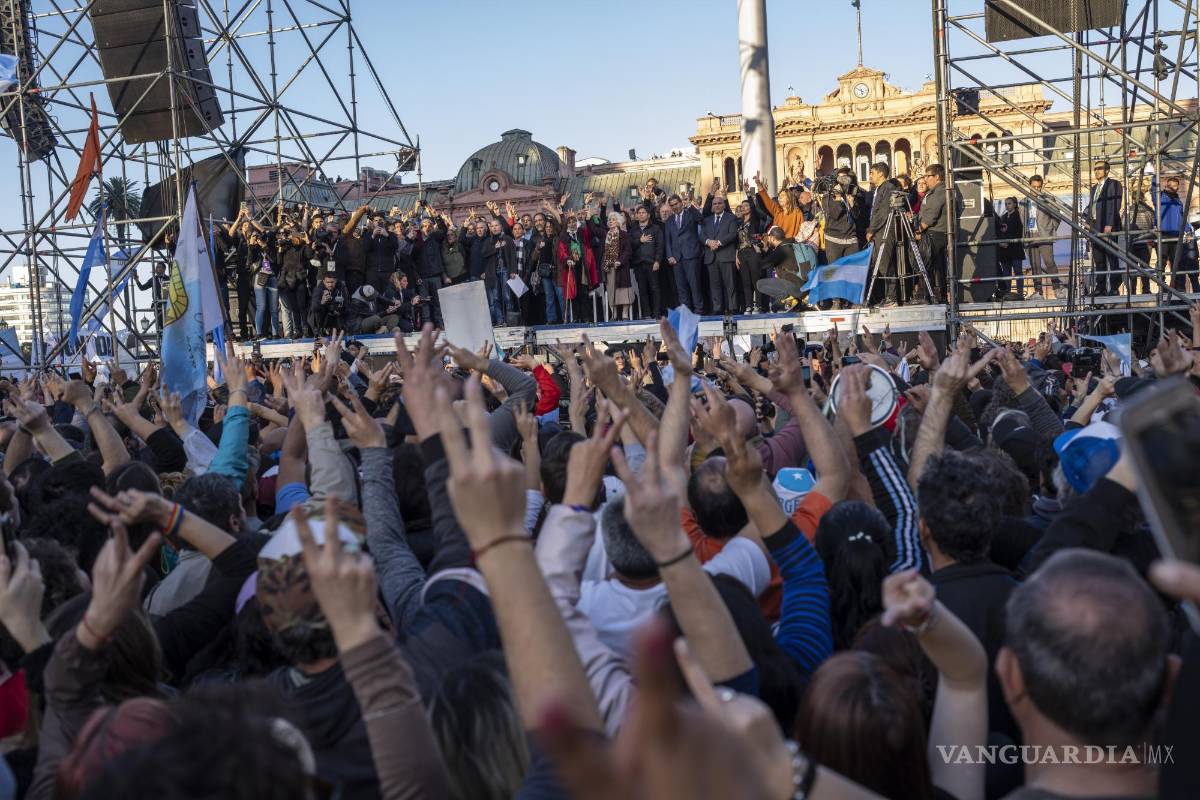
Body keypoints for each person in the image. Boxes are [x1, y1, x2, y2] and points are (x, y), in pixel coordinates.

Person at [1021, 175, 1063, 299]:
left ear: (1041, 187)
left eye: (1038, 187)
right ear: (1029, 186)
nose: (1036, 190)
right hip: (1030, 234)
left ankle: (1057, 289)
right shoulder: (1023, 201)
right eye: (1033, 187)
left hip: (1044, 234)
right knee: (1035, 265)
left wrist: (1051, 228)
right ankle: (1038, 291)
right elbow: (1022, 220)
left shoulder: (1048, 199)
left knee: (1049, 262)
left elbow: (1057, 215)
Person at [916, 163, 952, 304]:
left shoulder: (940, 191)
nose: (925, 179)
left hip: (935, 233)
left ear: (937, 177)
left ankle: (930, 295)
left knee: (928, 265)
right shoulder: (935, 191)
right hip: (933, 232)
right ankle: (933, 295)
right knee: (933, 266)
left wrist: (919, 229)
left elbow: (932, 213)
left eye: (928, 176)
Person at [867, 162, 901, 306]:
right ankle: (884, 297)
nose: (870, 175)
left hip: (885, 230)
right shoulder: (879, 189)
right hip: (878, 231)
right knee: (878, 265)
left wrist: (871, 229)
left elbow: (883, 213)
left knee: (885, 263)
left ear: (881, 174)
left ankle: (892, 298)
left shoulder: (888, 188)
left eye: (872, 172)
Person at [1086, 160, 1123, 295]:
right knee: (1098, 258)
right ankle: (1100, 286)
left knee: (1112, 256)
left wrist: (1109, 224)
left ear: (1107, 170)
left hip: (1108, 225)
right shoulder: (1094, 188)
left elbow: (1115, 204)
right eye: (1095, 169)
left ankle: (1114, 287)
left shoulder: (1114, 184)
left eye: (1099, 168)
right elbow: (1092, 206)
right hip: (1095, 225)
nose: (1096, 171)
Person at [663, 192, 704, 313]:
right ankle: (686, 312)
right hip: (676, 258)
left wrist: (690, 205)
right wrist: (669, 255)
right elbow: (668, 240)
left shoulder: (690, 214)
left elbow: (700, 219)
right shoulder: (669, 220)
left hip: (691, 256)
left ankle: (699, 310)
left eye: (676, 204)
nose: (674, 207)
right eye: (672, 205)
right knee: (681, 288)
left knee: (694, 285)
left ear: (681, 203)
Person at [700, 188, 739, 315]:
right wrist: (708, 241)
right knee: (714, 284)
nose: (717, 206)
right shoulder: (707, 220)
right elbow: (701, 235)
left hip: (726, 255)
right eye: (714, 204)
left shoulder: (731, 218)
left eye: (719, 203)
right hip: (711, 257)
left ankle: (732, 307)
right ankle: (718, 308)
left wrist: (718, 242)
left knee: (730, 284)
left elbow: (733, 234)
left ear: (724, 204)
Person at [629, 204, 664, 319]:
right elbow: (630, 246)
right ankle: (647, 314)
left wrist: (657, 261)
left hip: (652, 263)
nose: (641, 215)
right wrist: (640, 240)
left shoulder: (655, 228)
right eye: (639, 213)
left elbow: (660, 246)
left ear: (648, 215)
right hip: (639, 264)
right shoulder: (633, 230)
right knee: (642, 290)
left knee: (655, 289)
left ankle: (657, 313)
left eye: (643, 213)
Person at [601, 211, 634, 320]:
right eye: (609, 220)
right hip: (609, 267)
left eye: (613, 219)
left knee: (623, 290)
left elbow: (628, 251)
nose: (611, 221)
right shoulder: (606, 234)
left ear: (618, 222)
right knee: (610, 290)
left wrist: (620, 261)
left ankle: (625, 314)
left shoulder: (624, 234)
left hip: (621, 267)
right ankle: (613, 314)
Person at [996, 197, 1026, 300]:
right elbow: (999, 231)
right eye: (1006, 204)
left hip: (1015, 248)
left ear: (1014, 204)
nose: (1007, 205)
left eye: (1009, 203)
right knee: (1006, 273)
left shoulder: (1019, 215)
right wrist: (1001, 242)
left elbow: (1018, 231)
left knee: (1018, 271)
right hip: (1005, 250)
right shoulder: (1003, 217)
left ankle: (1020, 293)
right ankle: (1007, 293)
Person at [308, 269, 348, 335]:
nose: (330, 285)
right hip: (322, 316)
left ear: (336, 281)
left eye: (332, 282)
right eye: (328, 282)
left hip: (336, 315)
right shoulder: (318, 289)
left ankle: (343, 330)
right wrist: (322, 302)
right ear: (323, 281)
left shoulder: (341, 288)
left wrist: (339, 309)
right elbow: (313, 308)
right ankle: (319, 332)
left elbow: (347, 305)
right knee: (315, 312)